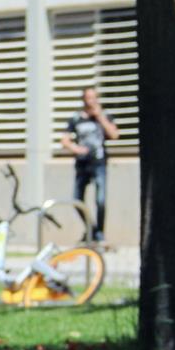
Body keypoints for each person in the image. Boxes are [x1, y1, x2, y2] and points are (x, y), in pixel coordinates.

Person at [60, 86, 119, 244]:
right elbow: (64, 140)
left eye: (94, 98)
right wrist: (76, 148)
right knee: (77, 199)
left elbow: (114, 134)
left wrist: (99, 116)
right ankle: (92, 230)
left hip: (99, 162)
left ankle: (99, 235)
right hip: (82, 164)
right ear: (83, 99)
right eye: (88, 98)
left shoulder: (104, 115)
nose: (91, 101)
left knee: (100, 200)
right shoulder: (76, 118)